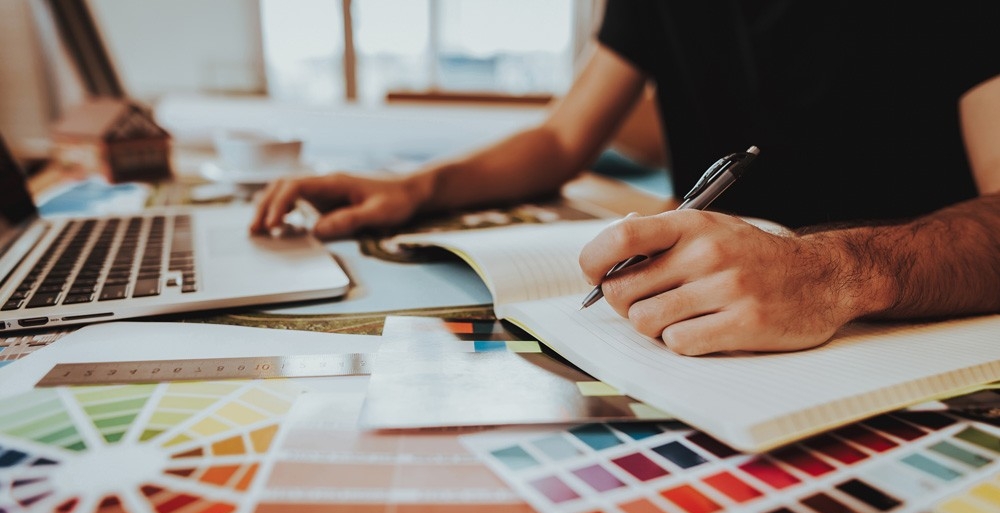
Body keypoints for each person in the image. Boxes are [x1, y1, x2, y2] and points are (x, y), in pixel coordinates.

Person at [251, 1, 1000, 356]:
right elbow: (560, 136)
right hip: (700, 342)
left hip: (913, 332)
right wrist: (419, 189)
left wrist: (834, 272)